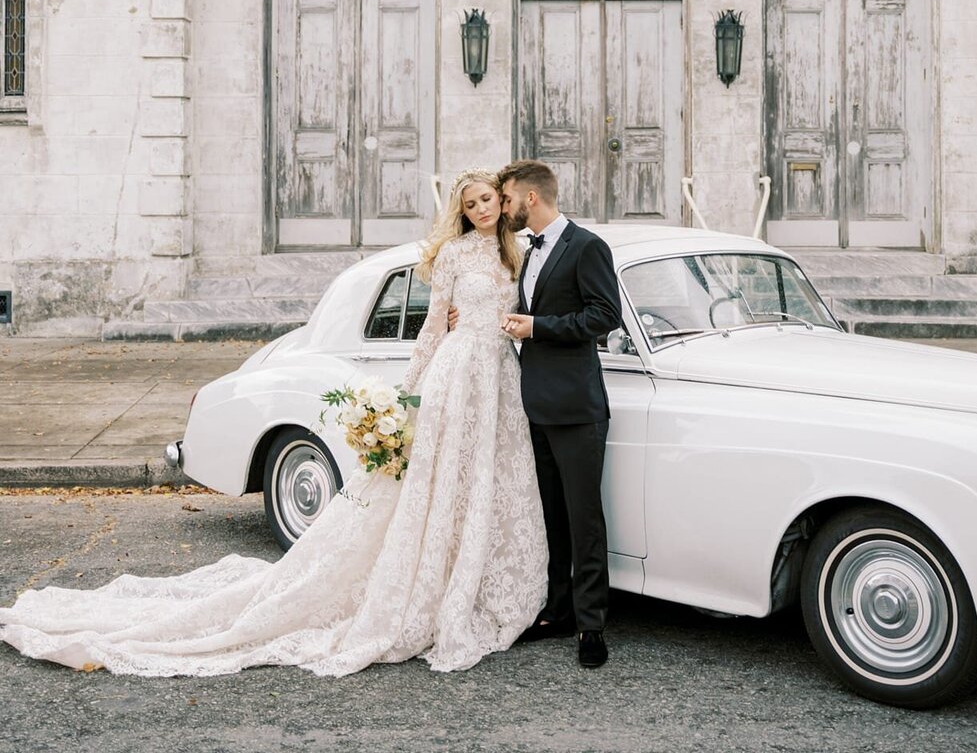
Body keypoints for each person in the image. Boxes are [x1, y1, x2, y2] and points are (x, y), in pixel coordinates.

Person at [0, 171, 548, 677]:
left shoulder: (514, 252)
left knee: (491, 482)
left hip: (500, 376)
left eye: (486, 201)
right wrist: (408, 392)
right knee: (440, 483)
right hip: (456, 375)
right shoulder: (452, 255)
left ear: (503, 205)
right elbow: (432, 324)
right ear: (460, 209)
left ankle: (481, 582)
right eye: (470, 202)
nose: (479, 209)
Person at [497, 159, 622, 669]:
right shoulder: (529, 251)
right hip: (536, 405)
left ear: (530, 198)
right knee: (551, 516)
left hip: (576, 407)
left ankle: (592, 626)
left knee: (584, 517)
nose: (502, 208)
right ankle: (558, 611)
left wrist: (538, 327)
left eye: (506, 199)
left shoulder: (587, 246)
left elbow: (604, 315)